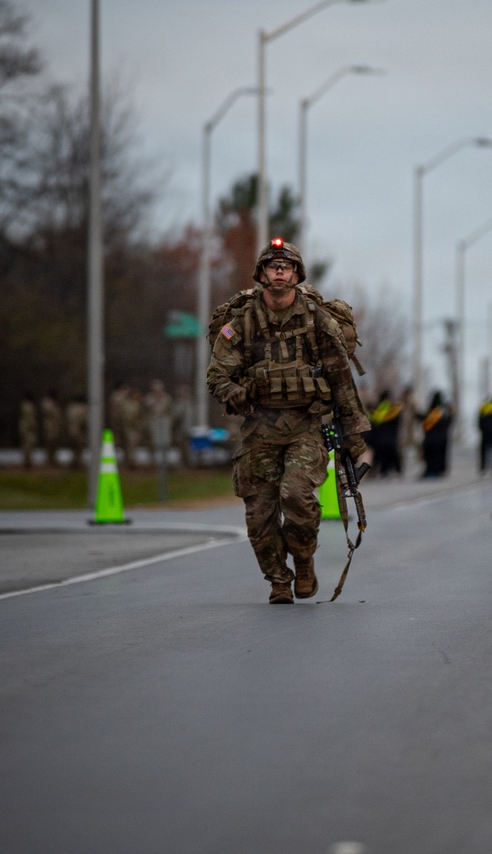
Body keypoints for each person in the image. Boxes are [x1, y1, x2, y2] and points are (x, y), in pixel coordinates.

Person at [206, 238, 369, 605]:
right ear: (262, 274)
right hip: (259, 430)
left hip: (306, 427)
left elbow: (341, 378)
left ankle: (304, 558)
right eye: (272, 266)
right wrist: (238, 394)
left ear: (296, 274)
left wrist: (354, 437)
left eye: (286, 266)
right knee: (259, 513)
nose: (279, 271)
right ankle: (279, 579)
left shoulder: (316, 320)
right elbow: (217, 376)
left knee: (295, 495)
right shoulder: (241, 323)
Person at [369, 389, 403, 476]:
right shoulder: (394, 409)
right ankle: (397, 471)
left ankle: (383, 471)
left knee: (381, 456)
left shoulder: (378, 410)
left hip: (380, 439)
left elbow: (374, 424)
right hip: (391, 437)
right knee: (393, 455)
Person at [421, 390, 452, 478]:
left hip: (430, 439)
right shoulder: (443, 412)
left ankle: (430, 471)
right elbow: (448, 423)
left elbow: (425, 424)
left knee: (430, 457)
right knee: (439, 457)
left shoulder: (430, 411)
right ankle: (438, 471)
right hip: (441, 439)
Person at [172, 383, 194, 467]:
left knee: (185, 446)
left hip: (185, 429)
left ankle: (187, 462)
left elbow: (179, 416)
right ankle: (184, 461)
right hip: (180, 429)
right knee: (181, 446)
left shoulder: (187, 404)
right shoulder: (178, 404)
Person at [39, 390, 63, 467]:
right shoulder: (48, 404)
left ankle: (53, 459)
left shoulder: (55, 404)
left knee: (55, 443)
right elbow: (48, 411)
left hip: (55, 427)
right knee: (49, 443)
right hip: (49, 427)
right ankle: (49, 460)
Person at [65, 395, 88, 469]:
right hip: (79, 431)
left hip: (71, 429)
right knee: (79, 449)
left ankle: (74, 463)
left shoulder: (71, 407)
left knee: (74, 448)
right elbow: (84, 420)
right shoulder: (83, 408)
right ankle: (77, 463)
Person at [18, 393, 38, 468]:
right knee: (28, 445)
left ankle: (26, 461)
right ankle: (27, 462)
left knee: (26, 445)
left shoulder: (23, 405)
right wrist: (32, 427)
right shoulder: (29, 406)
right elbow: (29, 419)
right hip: (27, 429)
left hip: (24, 428)